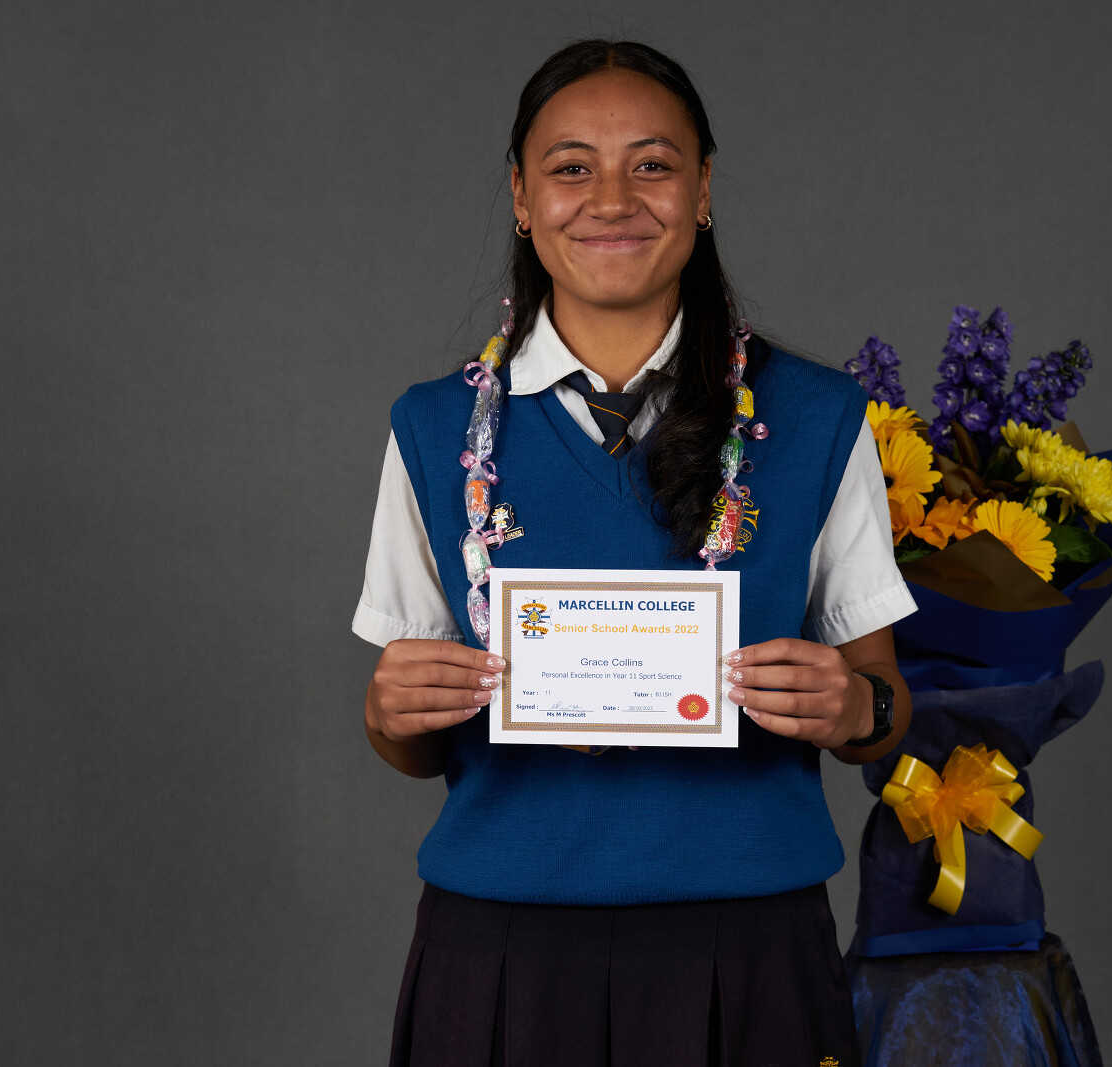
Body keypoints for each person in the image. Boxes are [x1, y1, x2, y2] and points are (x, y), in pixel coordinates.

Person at [354, 38, 917, 1066]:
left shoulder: (818, 417)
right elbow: (410, 738)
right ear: (522, 198)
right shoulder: (434, 429)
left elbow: (883, 708)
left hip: (747, 943)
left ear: (702, 191)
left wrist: (853, 706)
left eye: (651, 164)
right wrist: (388, 713)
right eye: (571, 167)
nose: (611, 199)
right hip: (502, 943)